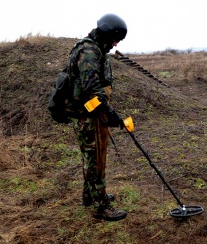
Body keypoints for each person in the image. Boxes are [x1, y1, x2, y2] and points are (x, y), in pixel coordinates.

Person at [67, 13, 128, 221]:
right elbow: (91, 87)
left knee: (92, 157)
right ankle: (101, 206)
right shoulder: (89, 51)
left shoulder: (96, 49)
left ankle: (89, 195)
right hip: (86, 115)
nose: (115, 43)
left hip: (91, 112)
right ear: (107, 33)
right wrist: (109, 113)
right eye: (115, 39)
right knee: (93, 159)